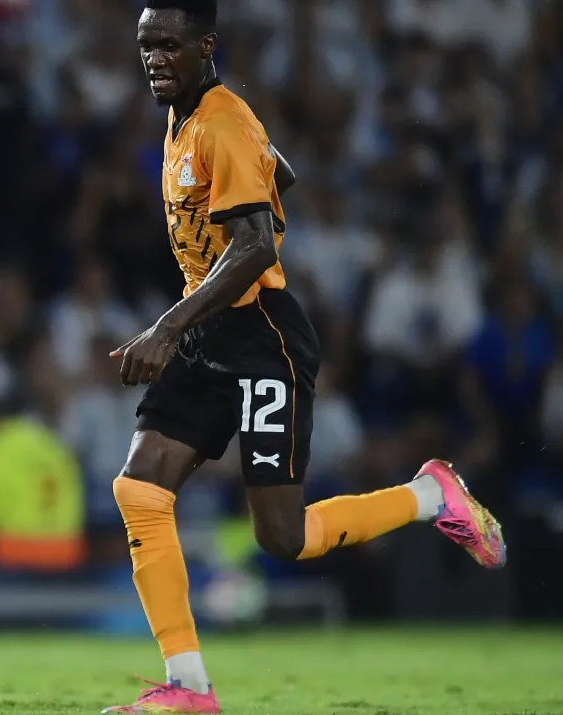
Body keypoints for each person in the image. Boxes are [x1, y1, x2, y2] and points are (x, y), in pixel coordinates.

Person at [103, 2, 506, 713]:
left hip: (262, 337)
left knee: (282, 537)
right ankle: (189, 688)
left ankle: (429, 496)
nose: (154, 59)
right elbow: (278, 171)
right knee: (141, 487)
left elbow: (256, 246)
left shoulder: (222, 121)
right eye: (146, 45)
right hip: (209, 329)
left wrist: (166, 326)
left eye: (169, 45)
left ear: (206, 45)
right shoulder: (187, 116)